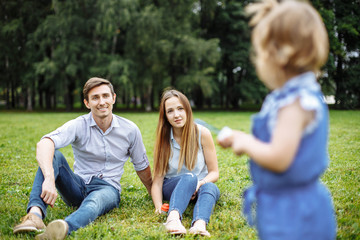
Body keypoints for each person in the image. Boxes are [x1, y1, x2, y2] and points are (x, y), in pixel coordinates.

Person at [218, 0, 337, 239]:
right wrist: (243, 137)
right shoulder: (294, 96)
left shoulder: (294, 104)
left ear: (279, 56)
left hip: (294, 214)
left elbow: (279, 158)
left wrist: (246, 144)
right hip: (286, 205)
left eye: (260, 55)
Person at [13, 77, 152, 240]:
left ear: (113, 98)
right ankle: (35, 215)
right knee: (55, 154)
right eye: (95, 98)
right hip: (77, 186)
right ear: (87, 103)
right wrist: (50, 178)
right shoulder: (78, 124)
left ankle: (62, 229)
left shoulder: (130, 130)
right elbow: (45, 143)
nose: (101, 102)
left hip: (107, 189)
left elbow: (142, 166)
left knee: (94, 203)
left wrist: (154, 194)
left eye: (106, 96)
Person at [151, 89, 220, 236]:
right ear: (165, 116)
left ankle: (199, 225)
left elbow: (214, 172)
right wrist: (158, 207)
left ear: (187, 110)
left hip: (199, 185)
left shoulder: (202, 133)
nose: (176, 115)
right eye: (170, 111)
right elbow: (157, 182)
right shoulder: (163, 139)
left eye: (180, 109)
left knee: (211, 187)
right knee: (189, 177)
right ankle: (173, 219)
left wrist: (199, 184)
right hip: (173, 186)